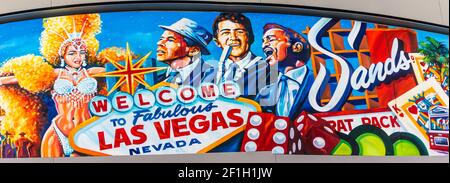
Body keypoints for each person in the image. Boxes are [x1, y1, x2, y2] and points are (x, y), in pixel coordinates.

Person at [0, 14, 105, 157]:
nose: (78, 57)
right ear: (63, 55)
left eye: (82, 52)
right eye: (72, 53)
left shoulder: (92, 73)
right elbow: (18, 79)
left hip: (87, 132)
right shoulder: (54, 74)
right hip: (58, 132)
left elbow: (120, 72)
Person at [256, 23, 313, 119]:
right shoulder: (265, 91)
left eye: (271, 39)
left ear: (297, 47)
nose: (264, 45)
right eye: (263, 41)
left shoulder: (320, 82)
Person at [212, 13, 274, 100]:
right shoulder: (209, 74)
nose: (233, 37)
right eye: (226, 32)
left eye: (239, 32)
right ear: (217, 41)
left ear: (249, 37)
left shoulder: (268, 71)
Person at [157, 18, 216, 87]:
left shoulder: (213, 77)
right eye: (161, 39)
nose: (159, 43)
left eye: (170, 40)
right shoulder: (156, 79)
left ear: (194, 50)